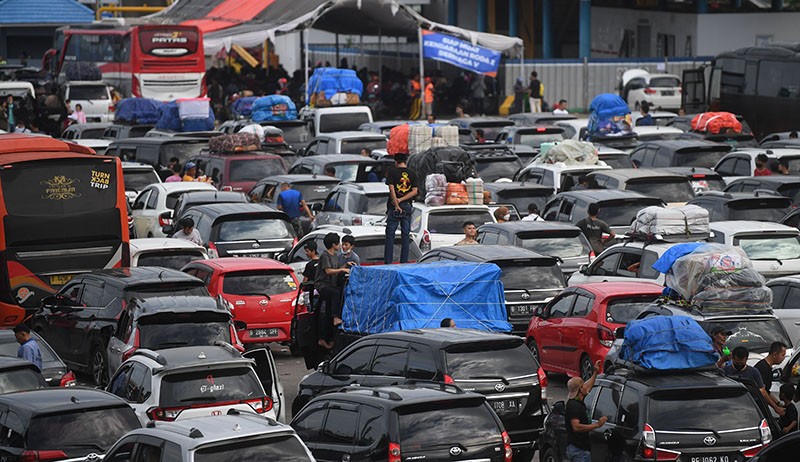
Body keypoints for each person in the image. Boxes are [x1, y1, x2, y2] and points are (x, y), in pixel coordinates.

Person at [723, 346, 785, 416]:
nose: (739, 365)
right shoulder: (725, 371)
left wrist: (775, 407)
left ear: (746, 360)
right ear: (732, 359)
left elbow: (763, 392)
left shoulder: (754, 372)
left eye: (742, 363)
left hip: (750, 407)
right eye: (737, 363)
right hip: (730, 406)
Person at [565, 360, 606, 462]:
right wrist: (597, 425)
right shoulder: (574, 406)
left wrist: (595, 372)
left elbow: (588, 386)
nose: (585, 386)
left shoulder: (578, 400)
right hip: (579, 451)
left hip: (578, 449)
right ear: (579, 390)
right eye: (582, 385)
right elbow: (576, 427)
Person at [315, 232, 350, 348]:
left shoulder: (335, 255)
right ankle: (335, 317)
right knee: (336, 293)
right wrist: (341, 270)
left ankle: (326, 337)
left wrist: (345, 266)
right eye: (338, 243)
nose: (340, 246)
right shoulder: (325, 256)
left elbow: (336, 269)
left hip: (331, 285)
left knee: (329, 309)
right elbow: (328, 271)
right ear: (333, 244)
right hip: (323, 285)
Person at [384, 153, 418, 264]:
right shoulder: (412, 174)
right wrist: (403, 200)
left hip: (394, 207)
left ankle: (388, 262)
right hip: (407, 206)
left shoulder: (392, 172)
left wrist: (397, 202)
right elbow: (414, 191)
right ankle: (404, 261)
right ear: (405, 161)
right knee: (405, 235)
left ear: (396, 161)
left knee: (390, 235)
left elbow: (392, 189)